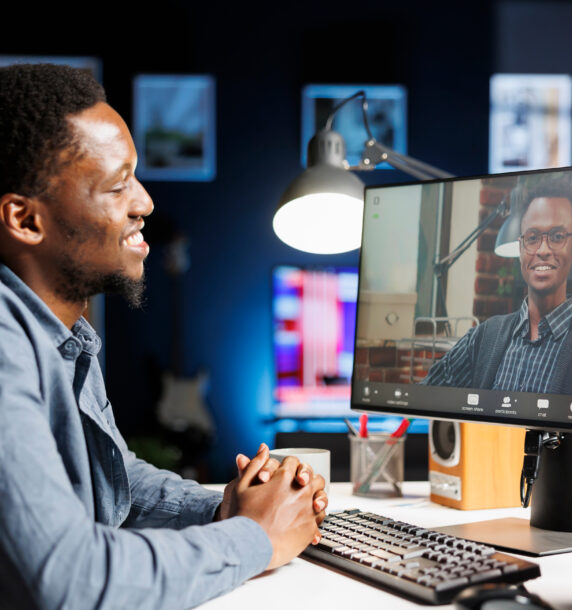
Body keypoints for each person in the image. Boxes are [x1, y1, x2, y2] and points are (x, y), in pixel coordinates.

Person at [0, 63, 328, 609]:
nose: (145, 202)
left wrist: (229, 507)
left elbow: (112, 480)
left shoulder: (63, 336)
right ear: (25, 220)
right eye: (117, 184)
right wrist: (255, 537)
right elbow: (69, 579)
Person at [424, 178, 572, 396]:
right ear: (521, 246)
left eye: (557, 236)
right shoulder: (483, 338)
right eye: (532, 237)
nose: (543, 250)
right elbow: (423, 397)